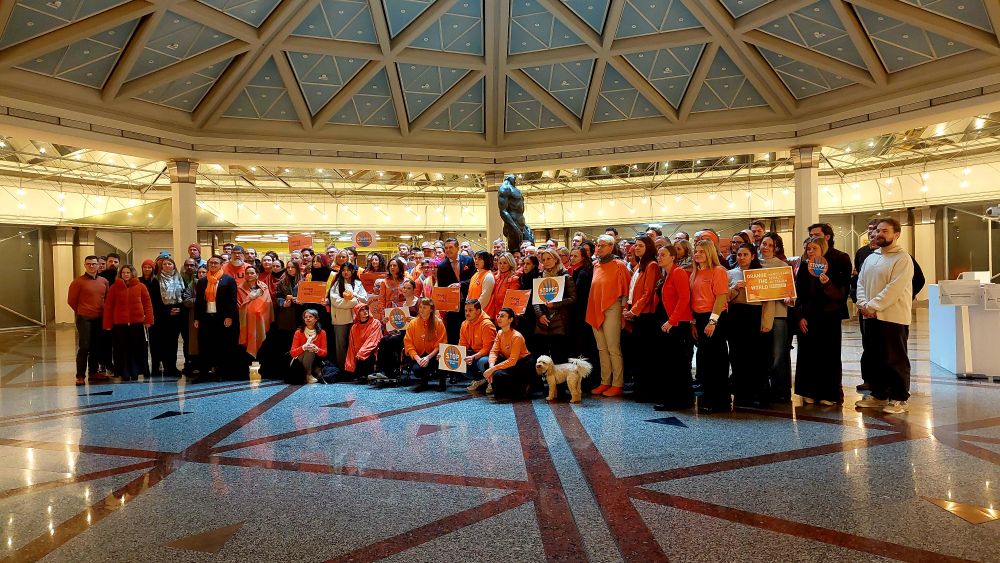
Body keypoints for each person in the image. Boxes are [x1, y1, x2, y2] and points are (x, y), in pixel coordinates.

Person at [855, 218, 915, 415]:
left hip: (892, 317)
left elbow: (894, 289)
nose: (879, 234)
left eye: (885, 231)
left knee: (894, 358)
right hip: (870, 316)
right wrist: (863, 304)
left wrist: (872, 306)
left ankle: (899, 397)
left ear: (896, 234)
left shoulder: (902, 258)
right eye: (878, 230)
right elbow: (861, 283)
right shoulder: (871, 257)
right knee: (874, 357)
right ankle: (878, 394)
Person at [794, 236, 847, 406]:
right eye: (808, 249)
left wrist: (827, 283)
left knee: (828, 356)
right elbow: (798, 295)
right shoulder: (802, 267)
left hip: (828, 319)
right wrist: (800, 316)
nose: (810, 252)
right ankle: (808, 391)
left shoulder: (831, 267)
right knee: (807, 355)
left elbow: (840, 296)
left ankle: (828, 393)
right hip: (808, 318)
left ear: (822, 249)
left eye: (814, 248)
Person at [727, 243, 774, 407]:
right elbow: (724, 299)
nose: (742, 258)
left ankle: (758, 394)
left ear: (753, 256)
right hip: (737, 316)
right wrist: (734, 288)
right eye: (739, 255)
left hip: (755, 315)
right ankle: (741, 393)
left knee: (757, 357)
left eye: (745, 254)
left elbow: (768, 301)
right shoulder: (730, 274)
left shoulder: (761, 274)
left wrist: (767, 321)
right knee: (737, 355)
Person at [587, 234, 631, 398]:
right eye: (598, 245)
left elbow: (627, 290)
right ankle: (605, 381)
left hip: (613, 307)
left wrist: (623, 312)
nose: (599, 248)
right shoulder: (596, 265)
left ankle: (617, 383)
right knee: (601, 348)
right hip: (595, 308)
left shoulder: (619, 264)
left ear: (612, 247)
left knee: (613, 347)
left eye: (603, 245)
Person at [690, 240, 730, 413]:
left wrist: (712, 321)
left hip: (714, 317)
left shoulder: (718, 271)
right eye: (696, 251)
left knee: (717, 360)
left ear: (710, 253)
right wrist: (693, 322)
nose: (697, 254)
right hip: (699, 318)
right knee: (705, 360)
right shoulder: (695, 273)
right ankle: (708, 396)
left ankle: (720, 400)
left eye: (702, 251)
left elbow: (721, 297)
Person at [652, 244, 693, 410]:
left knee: (677, 364)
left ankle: (679, 400)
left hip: (676, 324)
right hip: (668, 323)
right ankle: (673, 398)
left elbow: (684, 298)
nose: (659, 257)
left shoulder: (678, 272)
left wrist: (672, 320)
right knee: (669, 363)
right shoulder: (667, 275)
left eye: (663, 255)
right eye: (658, 255)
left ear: (673, 257)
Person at [622, 236, 660, 401]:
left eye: (640, 245)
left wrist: (634, 310)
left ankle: (647, 391)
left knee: (646, 355)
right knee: (638, 354)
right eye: (635, 246)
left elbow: (648, 292)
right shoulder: (639, 265)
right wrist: (627, 308)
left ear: (649, 247)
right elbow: (632, 290)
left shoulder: (651, 265)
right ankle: (640, 388)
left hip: (646, 315)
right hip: (636, 313)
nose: (636, 248)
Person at [102, 265, 153, 382]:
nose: (125, 274)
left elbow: (148, 304)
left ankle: (135, 371)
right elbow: (109, 306)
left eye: (128, 272)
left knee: (136, 348)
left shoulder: (141, 287)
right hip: (120, 323)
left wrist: (149, 320)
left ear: (132, 273)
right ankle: (123, 371)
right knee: (121, 349)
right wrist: (107, 324)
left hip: (137, 323)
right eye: (123, 272)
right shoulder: (114, 288)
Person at [759, 232, 793, 402]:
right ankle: (763, 388)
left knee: (778, 355)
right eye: (764, 243)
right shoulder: (754, 264)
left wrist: (787, 296)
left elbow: (790, 295)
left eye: (770, 245)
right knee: (762, 355)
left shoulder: (781, 265)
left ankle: (781, 391)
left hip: (779, 315)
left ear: (776, 248)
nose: (765, 247)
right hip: (759, 315)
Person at [194, 255, 239, 382]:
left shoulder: (228, 280)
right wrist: (197, 318)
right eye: (211, 263)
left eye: (216, 263)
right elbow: (198, 301)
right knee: (204, 346)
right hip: (206, 318)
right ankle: (203, 373)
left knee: (222, 346)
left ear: (221, 265)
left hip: (222, 318)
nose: (213, 265)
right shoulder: (202, 281)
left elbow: (232, 300)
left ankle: (221, 373)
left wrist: (230, 316)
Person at [68, 255, 109, 385]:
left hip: (99, 318)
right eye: (89, 264)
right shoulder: (78, 282)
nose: (91, 266)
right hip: (84, 318)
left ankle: (93, 372)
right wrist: (83, 310)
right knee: (84, 346)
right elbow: (71, 301)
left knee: (96, 346)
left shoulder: (104, 281)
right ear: (85, 265)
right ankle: (80, 375)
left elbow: (106, 299)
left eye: (94, 264)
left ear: (98, 265)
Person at [371, 279, 421, 382]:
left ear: (414, 289)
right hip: (402, 333)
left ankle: (389, 371)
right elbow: (398, 324)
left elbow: (425, 319)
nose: (406, 290)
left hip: (414, 336)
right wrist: (388, 321)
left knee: (391, 341)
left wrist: (416, 320)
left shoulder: (419, 303)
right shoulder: (401, 305)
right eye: (404, 288)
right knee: (384, 339)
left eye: (409, 288)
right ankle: (382, 370)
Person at [533, 248, 576, 365]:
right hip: (543, 322)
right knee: (544, 358)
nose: (546, 261)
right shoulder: (540, 276)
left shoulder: (565, 275)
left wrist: (555, 304)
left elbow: (573, 298)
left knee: (559, 357)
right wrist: (540, 314)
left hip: (559, 322)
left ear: (556, 259)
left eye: (549, 258)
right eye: (543, 259)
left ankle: (561, 383)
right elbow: (535, 300)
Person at [482, 308, 533, 400]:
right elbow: (494, 352)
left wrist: (493, 369)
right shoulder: (500, 333)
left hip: (523, 364)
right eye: (498, 316)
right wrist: (491, 367)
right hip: (510, 361)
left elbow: (513, 361)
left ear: (510, 319)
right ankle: (500, 393)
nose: (499, 318)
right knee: (487, 364)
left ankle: (518, 390)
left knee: (497, 374)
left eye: (502, 316)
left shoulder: (516, 336)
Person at [149, 256, 185, 379]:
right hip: (162, 315)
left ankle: (171, 367)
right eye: (164, 264)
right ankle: (163, 366)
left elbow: (183, 295)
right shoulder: (156, 279)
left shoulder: (179, 278)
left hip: (177, 314)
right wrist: (167, 311)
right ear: (161, 266)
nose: (167, 266)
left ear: (174, 266)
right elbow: (154, 300)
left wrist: (180, 308)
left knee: (173, 343)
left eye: (170, 264)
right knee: (163, 342)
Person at [404, 297, 448, 391]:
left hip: (434, 355)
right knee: (417, 370)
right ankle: (424, 383)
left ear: (431, 309)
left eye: (424, 307)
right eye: (420, 307)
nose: (421, 310)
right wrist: (418, 358)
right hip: (418, 355)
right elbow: (408, 344)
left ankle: (442, 382)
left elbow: (441, 343)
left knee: (442, 357)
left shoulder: (438, 323)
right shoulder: (413, 323)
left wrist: (428, 357)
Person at [329, 262, 367, 369]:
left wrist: (354, 297)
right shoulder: (337, 284)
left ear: (353, 271)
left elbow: (364, 299)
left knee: (355, 344)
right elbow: (336, 301)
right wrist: (354, 302)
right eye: (343, 270)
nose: (346, 272)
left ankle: (355, 367)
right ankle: (342, 367)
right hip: (340, 318)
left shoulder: (358, 283)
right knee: (341, 345)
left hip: (356, 319)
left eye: (348, 270)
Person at [436, 238, 474, 344]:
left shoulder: (468, 260)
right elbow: (442, 288)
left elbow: (474, 279)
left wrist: (460, 284)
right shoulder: (442, 266)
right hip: (452, 308)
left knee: (469, 333)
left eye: (451, 247)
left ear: (457, 248)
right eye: (446, 248)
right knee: (453, 335)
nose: (448, 250)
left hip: (469, 303)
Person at [238, 265, 273, 368]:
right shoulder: (239, 288)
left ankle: (263, 368)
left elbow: (268, 303)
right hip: (246, 321)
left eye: (252, 273)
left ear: (257, 275)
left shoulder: (264, 288)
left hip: (261, 320)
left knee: (263, 344)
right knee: (245, 345)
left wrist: (258, 311)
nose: (249, 275)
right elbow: (238, 304)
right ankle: (246, 367)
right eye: (247, 273)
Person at [461, 299, 498, 392]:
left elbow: (488, 348)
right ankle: (480, 379)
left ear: (478, 311)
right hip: (475, 354)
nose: (467, 313)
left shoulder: (487, 325)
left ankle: (492, 382)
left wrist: (473, 357)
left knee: (482, 362)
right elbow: (462, 344)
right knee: (458, 361)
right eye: (466, 310)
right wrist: (453, 355)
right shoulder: (464, 324)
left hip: (490, 355)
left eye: (470, 310)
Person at [345, 303, 383, 382]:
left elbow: (373, 340)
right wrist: (350, 364)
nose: (365, 311)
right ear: (357, 313)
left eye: (366, 309)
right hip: (358, 355)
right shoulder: (354, 327)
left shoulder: (375, 323)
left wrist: (362, 352)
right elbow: (351, 346)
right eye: (361, 310)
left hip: (371, 352)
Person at [290, 309, 328, 384]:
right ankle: (308, 375)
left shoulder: (322, 333)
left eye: (310, 316)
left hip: (316, 360)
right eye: (306, 317)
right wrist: (304, 347)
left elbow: (324, 353)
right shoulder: (298, 332)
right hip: (298, 361)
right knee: (309, 350)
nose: (307, 318)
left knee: (311, 349)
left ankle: (312, 372)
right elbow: (292, 353)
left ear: (316, 319)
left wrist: (316, 349)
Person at [181, 264, 206, 377]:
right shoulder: (193, 284)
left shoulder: (212, 283)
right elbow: (186, 300)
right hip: (194, 316)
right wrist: (199, 301)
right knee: (194, 342)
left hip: (209, 316)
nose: (201, 274)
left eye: (203, 272)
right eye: (199, 272)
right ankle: (195, 366)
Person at [498, 174, 533, 250]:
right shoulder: (505, 188)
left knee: (528, 247)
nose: (515, 180)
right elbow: (503, 211)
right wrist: (514, 226)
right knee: (515, 251)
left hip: (521, 224)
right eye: (514, 178)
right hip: (513, 224)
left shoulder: (515, 189)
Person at [486, 252, 519, 319]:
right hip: (493, 313)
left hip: (506, 315)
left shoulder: (514, 279)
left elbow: (512, 302)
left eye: (505, 263)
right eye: (500, 263)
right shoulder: (495, 277)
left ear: (510, 264)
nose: (502, 265)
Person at [468, 251, 496, 317]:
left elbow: (484, 298)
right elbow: (469, 293)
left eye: (480, 259)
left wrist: (474, 310)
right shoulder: (475, 274)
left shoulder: (488, 276)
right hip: (472, 312)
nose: (476, 261)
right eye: (475, 258)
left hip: (482, 313)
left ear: (486, 261)